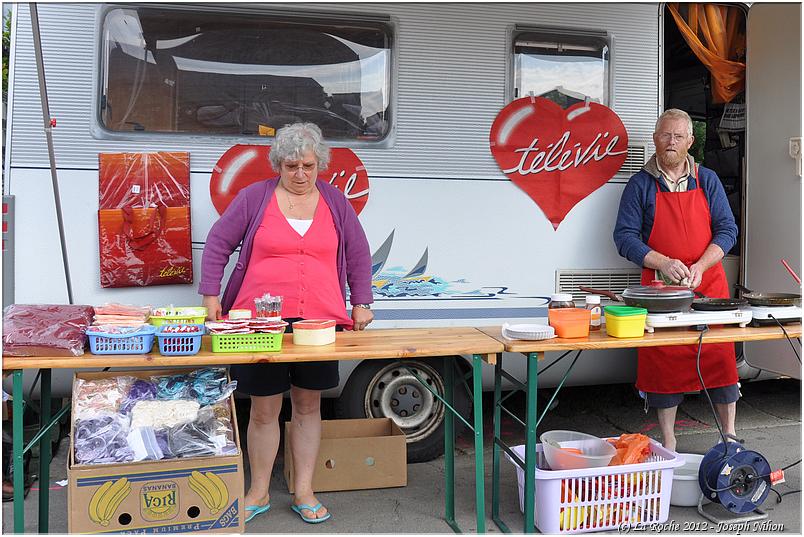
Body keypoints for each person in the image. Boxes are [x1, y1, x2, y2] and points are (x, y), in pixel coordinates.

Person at [199, 122, 374, 524]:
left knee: (309, 406)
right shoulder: (254, 198)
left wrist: (361, 302)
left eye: (308, 166)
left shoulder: (335, 201)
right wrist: (211, 296)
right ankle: (258, 491)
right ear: (278, 164)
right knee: (263, 409)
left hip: (319, 322)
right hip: (261, 324)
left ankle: (304, 491)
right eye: (291, 166)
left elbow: (359, 254)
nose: (300, 174)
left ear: (319, 165)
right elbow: (218, 243)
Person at [613, 109, 739, 452]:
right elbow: (624, 237)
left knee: (720, 356)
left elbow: (728, 230)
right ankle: (668, 440)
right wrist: (664, 263)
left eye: (678, 136)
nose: (671, 142)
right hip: (660, 291)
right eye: (665, 135)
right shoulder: (640, 184)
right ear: (655, 139)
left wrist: (701, 264)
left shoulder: (707, 179)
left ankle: (729, 436)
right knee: (663, 360)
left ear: (690, 142)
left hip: (708, 285)